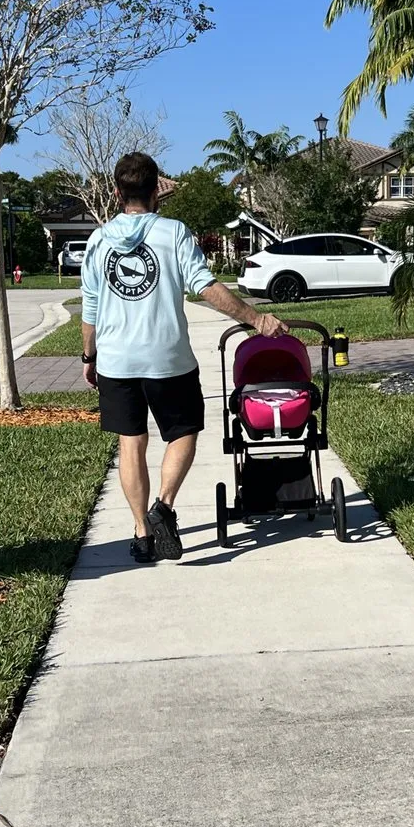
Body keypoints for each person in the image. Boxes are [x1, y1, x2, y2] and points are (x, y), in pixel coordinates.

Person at [80, 152, 287, 563]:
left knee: (130, 444)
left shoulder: (98, 241)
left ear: (118, 193)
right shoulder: (173, 233)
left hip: (116, 361)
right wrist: (256, 318)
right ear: (156, 191)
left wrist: (89, 356)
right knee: (184, 431)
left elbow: (90, 309)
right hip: (167, 358)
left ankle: (142, 535)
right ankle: (164, 506)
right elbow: (205, 287)